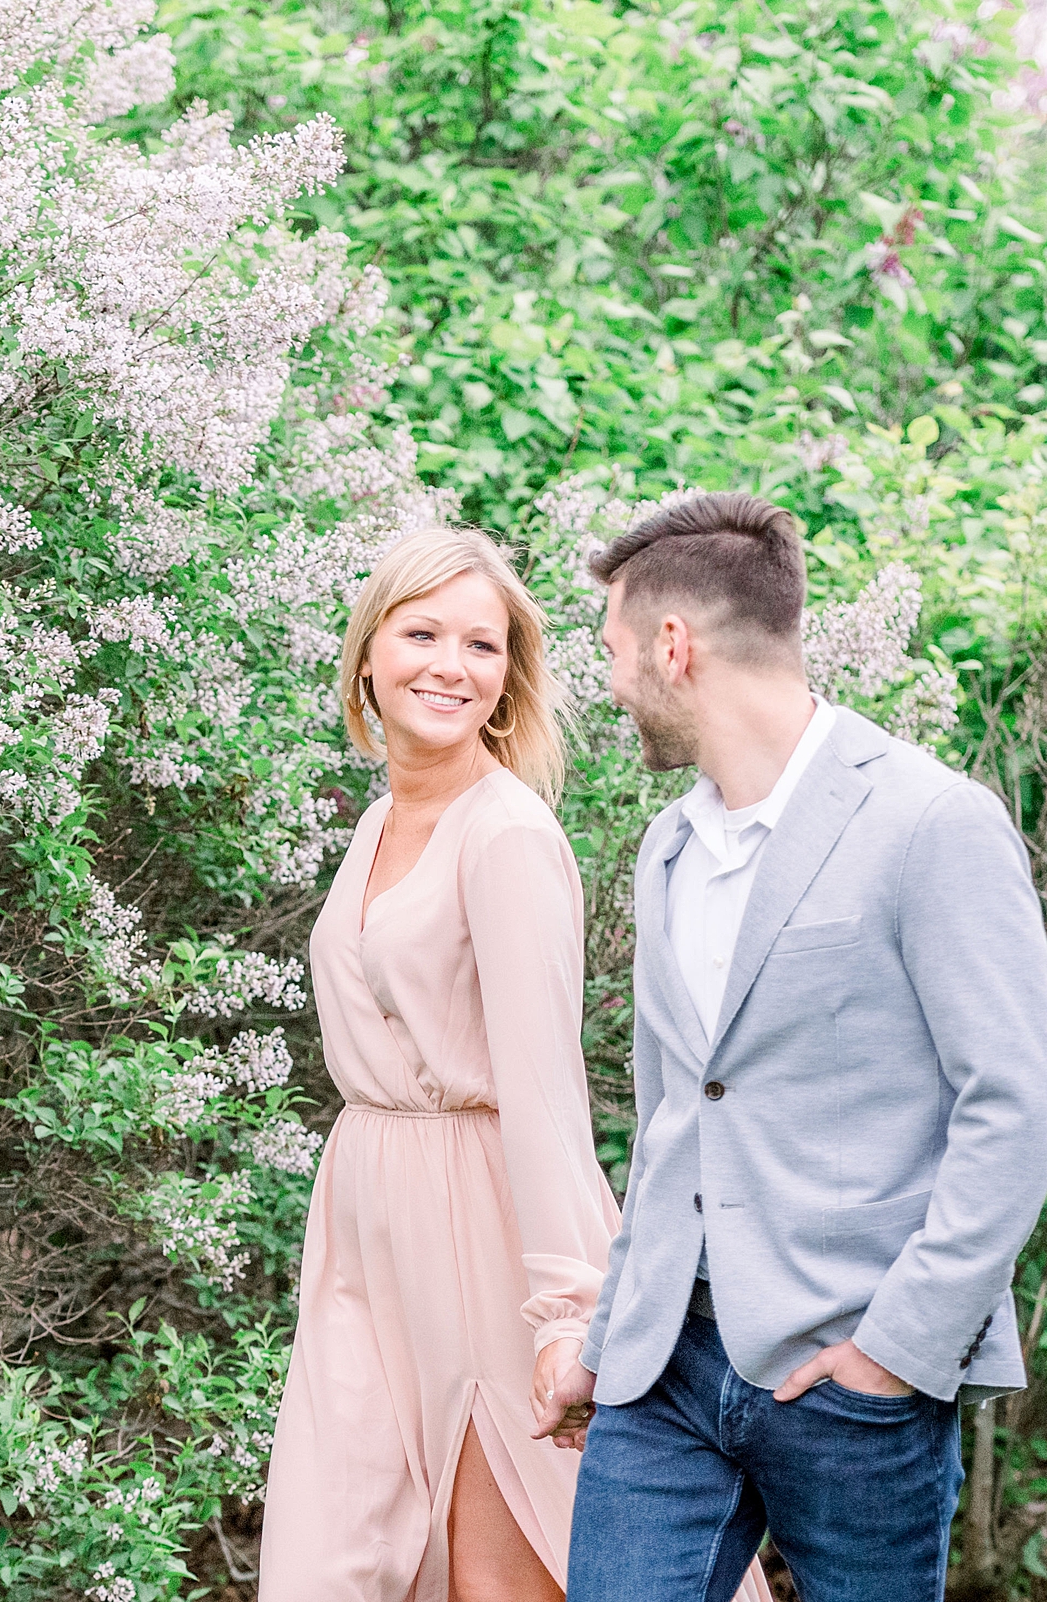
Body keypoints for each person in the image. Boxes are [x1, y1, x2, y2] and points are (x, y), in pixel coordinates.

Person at [554, 492, 1047, 1602]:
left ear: (673, 645)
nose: (608, 687)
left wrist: (897, 1354)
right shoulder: (668, 846)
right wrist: (612, 1337)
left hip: (851, 1386)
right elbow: (672, 1123)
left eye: (612, 652)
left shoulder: (932, 824)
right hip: (664, 1383)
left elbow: (1018, 1106)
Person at [258, 528, 769, 1602]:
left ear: (505, 682)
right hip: (364, 1221)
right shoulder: (379, 822)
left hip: (484, 1227)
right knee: (331, 1556)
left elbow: (542, 1098)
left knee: (504, 1571)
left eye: (481, 646)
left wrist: (566, 1315)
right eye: (423, 634)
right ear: (368, 656)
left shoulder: (507, 838)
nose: (450, 664)